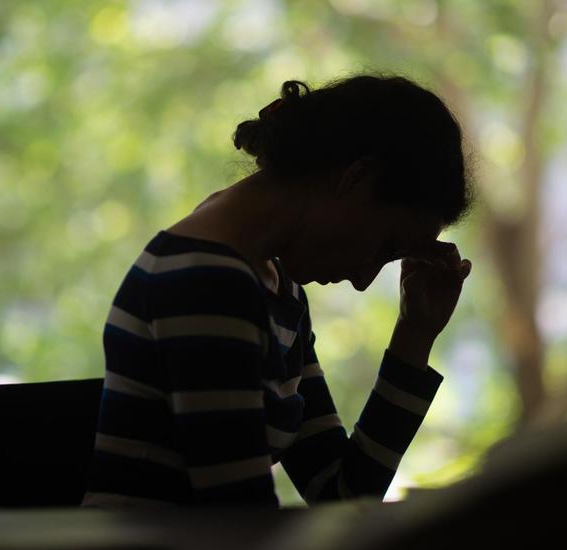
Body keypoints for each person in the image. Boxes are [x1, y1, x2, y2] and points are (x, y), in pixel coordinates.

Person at [81, 73, 474, 509]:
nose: (364, 280)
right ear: (356, 178)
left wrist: (414, 333)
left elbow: (340, 497)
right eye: (385, 246)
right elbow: (239, 519)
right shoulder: (204, 282)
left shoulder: (274, 290)